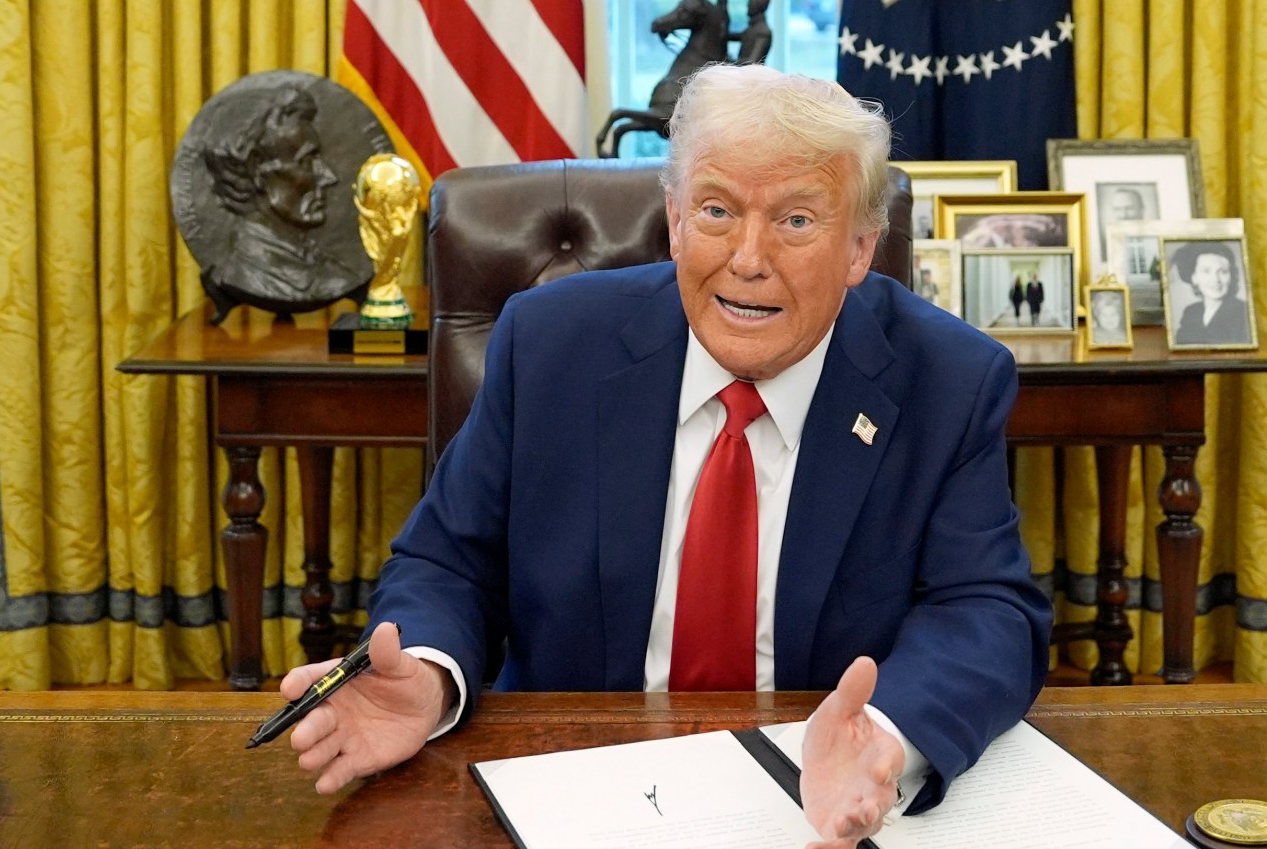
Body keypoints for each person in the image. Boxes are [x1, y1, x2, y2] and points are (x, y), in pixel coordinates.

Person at [276, 64, 1050, 844]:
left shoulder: (947, 380)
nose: (748, 258)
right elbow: (450, 561)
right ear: (675, 219)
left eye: (795, 221)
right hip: (572, 787)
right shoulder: (550, 344)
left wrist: (886, 736)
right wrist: (430, 673)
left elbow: (985, 609)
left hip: (813, 800)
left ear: (859, 248)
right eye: (717, 211)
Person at [200, 81, 356, 309]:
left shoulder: (331, 273)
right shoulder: (241, 274)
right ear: (257, 169)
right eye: (307, 161)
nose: (328, 177)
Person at [1169, 244, 1248, 347]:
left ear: (1231, 276)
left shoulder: (1244, 311)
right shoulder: (1191, 312)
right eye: (1206, 271)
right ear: (1194, 277)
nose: (1216, 279)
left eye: (1223, 272)